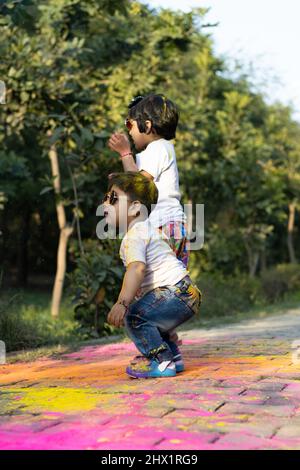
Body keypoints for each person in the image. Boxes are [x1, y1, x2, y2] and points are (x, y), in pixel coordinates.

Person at [108, 94, 188, 357]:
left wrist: (124, 153)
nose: (128, 130)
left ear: (147, 125)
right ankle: (168, 347)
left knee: (156, 290)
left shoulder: (157, 148)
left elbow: (139, 187)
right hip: (166, 226)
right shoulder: (157, 151)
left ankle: (162, 352)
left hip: (165, 226)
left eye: (129, 124)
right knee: (155, 292)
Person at [103, 172, 201, 379]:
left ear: (135, 207)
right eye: (105, 197)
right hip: (186, 291)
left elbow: (136, 269)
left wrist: (122, 303)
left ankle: (161, 362)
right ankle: (174, 358)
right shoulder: (150, 230)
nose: (105, 203)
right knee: (150, 316)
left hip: (173, 292)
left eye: (112, 198)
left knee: (136, 316)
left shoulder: (135, 234)